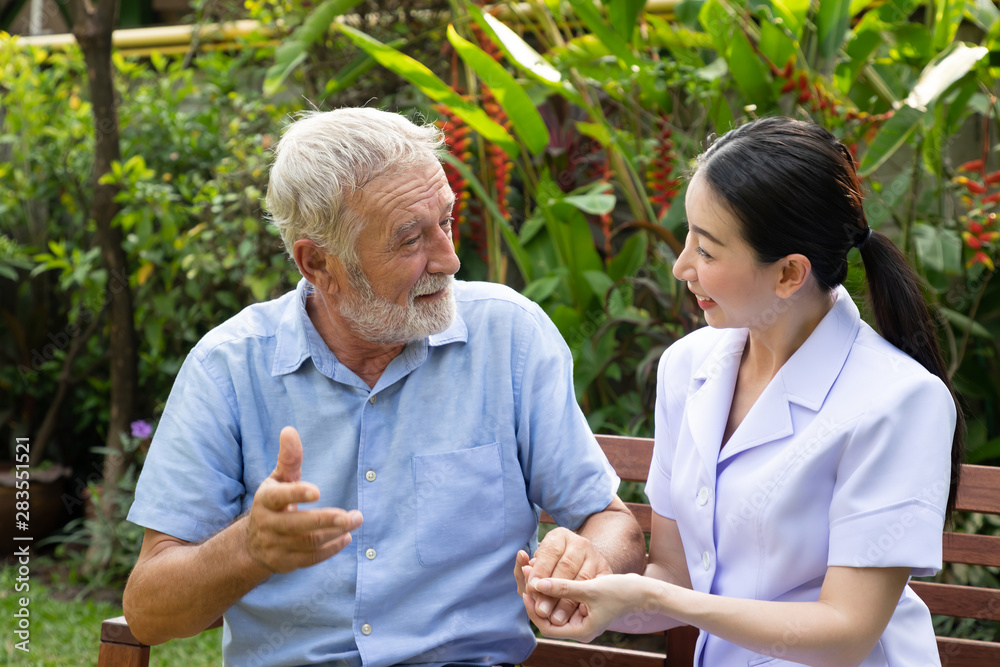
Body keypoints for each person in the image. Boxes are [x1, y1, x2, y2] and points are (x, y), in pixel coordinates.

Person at [122, 107, 645, 667]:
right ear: (318, 263)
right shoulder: (228, 368)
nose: (448, 258)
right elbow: (149, 612)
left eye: (445, 221)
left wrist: (588, 558)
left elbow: (614, 524)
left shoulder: (510, 337)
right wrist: (248, 548)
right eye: (409, 240)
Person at [518, 117, 965, 666]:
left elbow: (847, 630)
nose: (682, 266)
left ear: (788, 275)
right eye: (688, 238)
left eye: (706, 251)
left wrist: (654, 595)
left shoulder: (900, 402)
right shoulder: (688, 366)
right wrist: (585, 590)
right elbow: (675, 576)